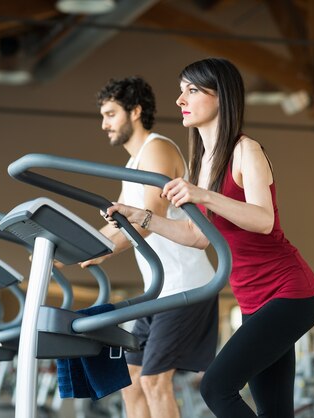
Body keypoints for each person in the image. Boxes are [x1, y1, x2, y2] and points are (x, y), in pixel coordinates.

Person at [102, 58, 314, 417]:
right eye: (180, 91)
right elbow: (196, 236)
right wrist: (140, 217)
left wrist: (203, 195)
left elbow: (263, 219)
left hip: (291, 293)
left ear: (220, 97)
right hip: (253, 300)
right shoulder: (205, 162)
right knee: (274, 411)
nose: (180, 100)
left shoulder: (245, 150)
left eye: (191, 90)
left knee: (217, 388)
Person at [82, 76, 219, 418]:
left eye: (111, 114)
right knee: (130, 378)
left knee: (155, 381)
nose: (104, 125)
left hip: (186, 284)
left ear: (135, 111)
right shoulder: (131, 166)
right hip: (159, 290)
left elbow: (148, 218)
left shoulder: (157, 148)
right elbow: (118, 227)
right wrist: (70, 251)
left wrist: (98, 249)